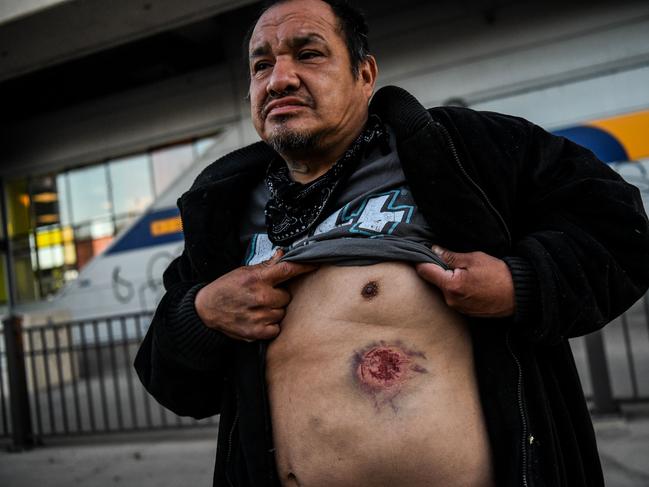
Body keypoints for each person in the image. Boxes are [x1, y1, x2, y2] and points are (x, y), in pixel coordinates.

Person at [134, 0, 649, 485]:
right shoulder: (220, 211)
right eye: (261, 65)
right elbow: (173, 384)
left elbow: (620, 228)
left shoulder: (463, 152)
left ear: (364, 75)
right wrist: (202, 314)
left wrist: (522, 283)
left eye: (308, 54)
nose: (280, 79)